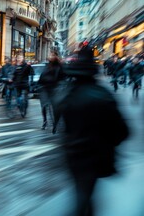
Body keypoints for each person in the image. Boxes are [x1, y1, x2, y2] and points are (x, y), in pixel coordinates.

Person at [55, 43, 129, 216]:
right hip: (96, 155)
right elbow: (122, 131)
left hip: (72, 153)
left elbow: (60, 121)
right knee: (85, 195)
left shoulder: (68, 94)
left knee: (82, 192)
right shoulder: (103, 95)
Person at [38, 51, 64, 133]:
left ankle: (55, 123)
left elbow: (63, 77)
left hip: (54, 89)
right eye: (50, 55)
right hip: (45, 88)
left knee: (55, 107)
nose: (50, 56)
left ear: (56, 56)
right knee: (44, 106)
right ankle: (45, 121)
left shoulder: (60, 66)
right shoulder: (47, 65)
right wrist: (39, 84)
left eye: (52, 55)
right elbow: (42, 76)